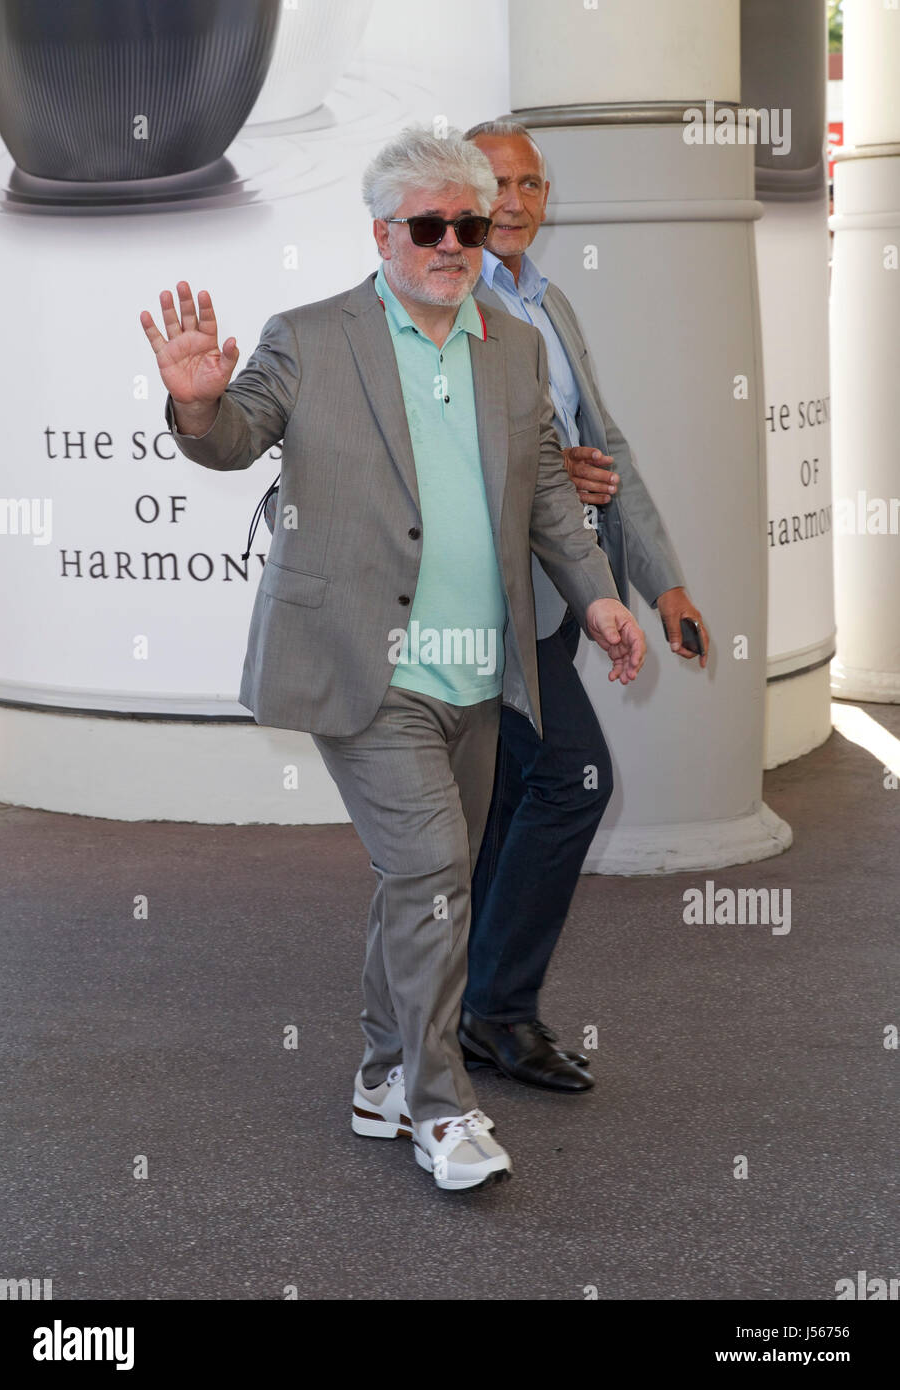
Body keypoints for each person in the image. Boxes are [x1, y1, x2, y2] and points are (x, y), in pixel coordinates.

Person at [140, 126, 646, 1193]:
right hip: (366, 667)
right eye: (429, 225)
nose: (453, 242)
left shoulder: (513, 345)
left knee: (427, 879)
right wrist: (195, 401)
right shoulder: (313, 336)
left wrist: (598, 597)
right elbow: (238, 434)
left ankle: (377, 1069)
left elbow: (549, 497)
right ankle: (437, 1104)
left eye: (467, 223)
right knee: (429, 875)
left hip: (479, 669)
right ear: (382, 234)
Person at [458, 120, 709, 1093]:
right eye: (494, 184)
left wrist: (663, 581)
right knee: (574, 780)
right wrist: (543, 470)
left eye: (528, 183)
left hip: (566, 601)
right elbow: (438, 459)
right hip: (487, 606)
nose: (514, 201)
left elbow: (609, 452)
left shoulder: (546, 301)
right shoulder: (446, 305)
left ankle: (468, 996)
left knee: (518, 796)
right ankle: (497, 1009)